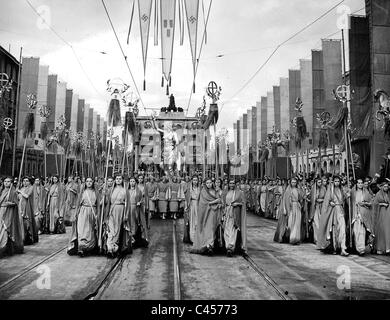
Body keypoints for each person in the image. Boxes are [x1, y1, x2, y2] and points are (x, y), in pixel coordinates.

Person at [67, 177, 100, 257]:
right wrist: (76, 214)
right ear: (85, 183)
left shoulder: (96, 193)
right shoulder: (82, 192)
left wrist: (97, 214)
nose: (89, 183)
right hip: (83, 212)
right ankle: (81, 247)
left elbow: (98, 204)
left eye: (90, 181)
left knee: (90, 231)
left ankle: (89, 248)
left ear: (93, 182)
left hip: (92, 212)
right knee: (82, 230)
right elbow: (78, 203)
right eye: (87, 181)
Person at [317, 176, 349, 256]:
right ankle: (335, 248)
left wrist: (348, 196)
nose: (337, 183)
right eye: (335, 181)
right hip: (333, 212)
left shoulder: (342, 190)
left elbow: (346, 201)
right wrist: (330, 203)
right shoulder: (330, 191)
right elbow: (326, 202)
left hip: (341, 211)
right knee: (335, 230)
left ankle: (343, 248)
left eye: (338, 181)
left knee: (342, 229)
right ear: (333, 182)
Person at [191, 178, 222, 255]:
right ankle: (207, 246)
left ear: (212, 183)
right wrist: (212, 202)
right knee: (206, 229)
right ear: (205, 184)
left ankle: (210, 245)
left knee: (211, 229)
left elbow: (219, 200)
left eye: (210, 182)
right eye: (207, 183)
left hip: (213, 213)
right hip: (205, 214)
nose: (209, 184)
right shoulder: (203, 192)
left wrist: (213, 202)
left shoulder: (215, 191)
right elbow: (202, 203)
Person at [106, 175, 131, 258]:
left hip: (121, 210)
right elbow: (107, 202)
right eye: (117, 179)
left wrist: (126, 214)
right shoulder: (111, 190)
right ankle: (110, 248)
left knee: (117, 230)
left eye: (120, 179)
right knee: (111, 230)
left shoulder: (125, 190)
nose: (118, 180)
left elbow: (128, 203)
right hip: (111, 210)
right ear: (115, 180)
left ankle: (114, 248)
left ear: (122, 180)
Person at [222, 179, 247, 257]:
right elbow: (223, 202)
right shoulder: (225, 192)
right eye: (230, 183)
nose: (232, 185)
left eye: (233, 183)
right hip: (226, 213)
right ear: (228, 184)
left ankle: (231, 247)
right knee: (226, 230)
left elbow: (243, 203)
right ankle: (227, 246)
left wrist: (237, 204)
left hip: (235, 214)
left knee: (233, 230)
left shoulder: (239, 193)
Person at [0, 177, 24, 257]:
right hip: (1, 211)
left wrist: (9, 204)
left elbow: (16, 203)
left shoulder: (13, 192)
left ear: (11, 183)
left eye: (8, 181)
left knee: (6, 229)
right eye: (5, 181)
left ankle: (3, 248)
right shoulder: (1, 191)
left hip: (9, 212)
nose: (6, 183)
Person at [350, 178, 374, 255]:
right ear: (356, 184)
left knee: (362, 232)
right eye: (359, 183)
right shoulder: (353, 192)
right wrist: (347, 197)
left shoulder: (366, 192)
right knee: (356, 232)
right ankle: (357, 248)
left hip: (363, 215)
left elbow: (370, 203)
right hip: (355, 214)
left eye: (361, 183)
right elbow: (348, 202)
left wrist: (364, 203)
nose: (360, 184)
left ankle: (361, 249)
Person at [17, 177, 38, 245]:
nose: (25, 182)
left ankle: (28, 238)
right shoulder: (22, 188)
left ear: (29, 182)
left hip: (27, 207)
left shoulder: (31, 188)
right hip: (21, 207)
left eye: (27, 181)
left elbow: (26, 196)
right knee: (21, 222)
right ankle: (22, 237)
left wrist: (20, 191)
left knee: (27, 222)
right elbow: (19, 198)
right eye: (24, 181)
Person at [129, 177, 148, 248]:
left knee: (135, 224)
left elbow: (142, 200)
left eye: (133, 181)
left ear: (135, 182)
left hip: (135, 209)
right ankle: (129, 239)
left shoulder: (139, 191)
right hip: (128, 209)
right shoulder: (127, 191)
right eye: (131, 181)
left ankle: (134, 240)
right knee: (129, 224)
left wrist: (139, 203)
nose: (132, 183)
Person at [373, 180, 390, 254]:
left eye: (387, 186)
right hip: (381, 213)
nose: (386, 188)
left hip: (388, 213)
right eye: (385, 186)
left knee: (387, 230)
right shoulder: (378, 194)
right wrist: (382, 204)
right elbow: (375, 204)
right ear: (382, 187)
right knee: (382, 230)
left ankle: (387, 247)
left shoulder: (388, 194)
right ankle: (380, 248)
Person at [183, 175, 200, 244]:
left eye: (196, 180)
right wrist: (186, 206)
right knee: (192, 222)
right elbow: (186, 198)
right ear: (192, 181)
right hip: (192, 206)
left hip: (198, 206)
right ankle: (192, 238)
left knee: (197, 222)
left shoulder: (200, 188)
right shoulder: (189, 189)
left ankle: (198, 238)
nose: (195, 181)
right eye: (194, 180)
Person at [309, 177, 326, 244]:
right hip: (315, 208)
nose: (320, 183)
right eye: (318, 182)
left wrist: (322, 200)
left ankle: (321, 238)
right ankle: (316, 239)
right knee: (316, 223)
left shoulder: (324, 189)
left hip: (322, 208)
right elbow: (312, 199)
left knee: (322, 223)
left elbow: (326, 198)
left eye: (320, 182)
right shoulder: (314, 189)